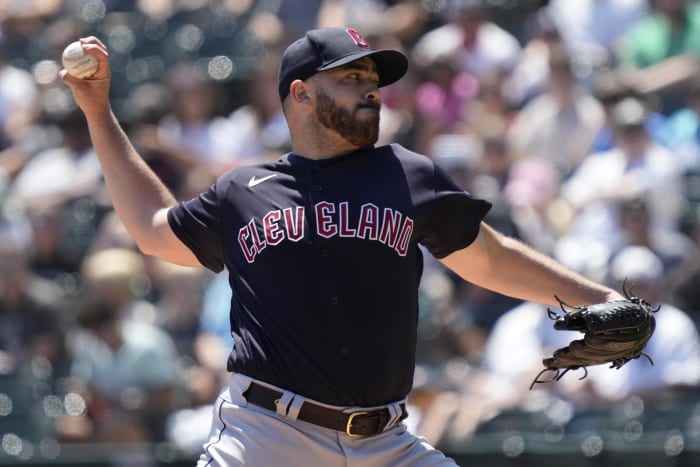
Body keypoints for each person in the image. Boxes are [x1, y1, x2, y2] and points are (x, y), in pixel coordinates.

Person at [62, 27, 625, 466]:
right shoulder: (244, 191)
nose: (371, 89)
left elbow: (491, 258)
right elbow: (153, 229)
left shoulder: (407, 174)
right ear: (301, 93)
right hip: (266, 437)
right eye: (350, 78)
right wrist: (97, 111)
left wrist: (596, 297)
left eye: (373, 80)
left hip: (387, 442)